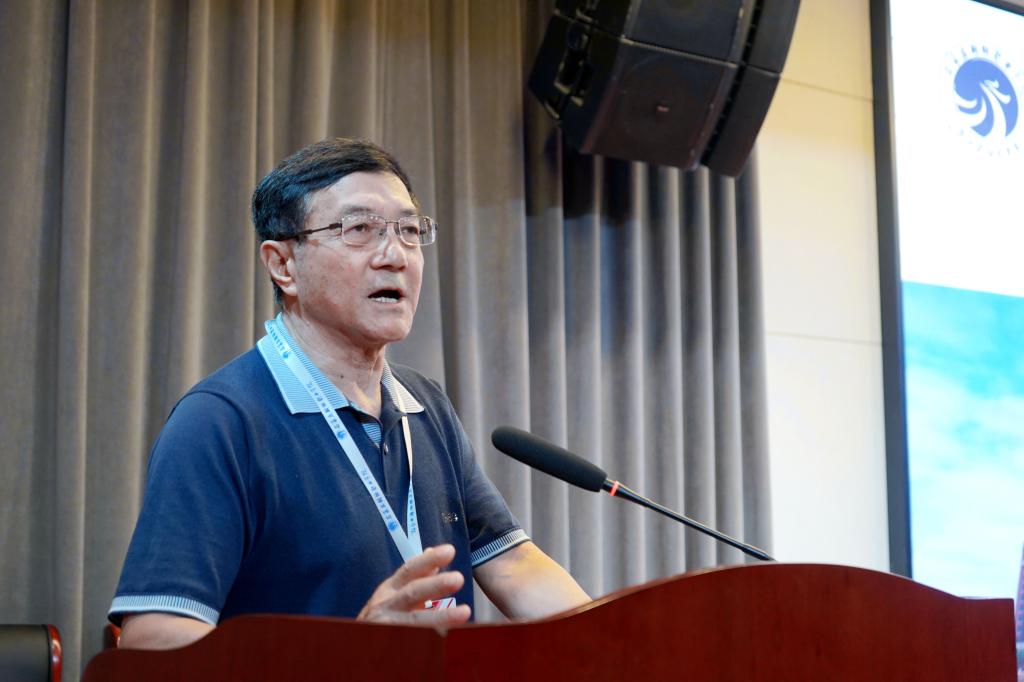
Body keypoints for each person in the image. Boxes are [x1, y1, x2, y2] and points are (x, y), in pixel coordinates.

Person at [109, 138, 590, 649]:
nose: (395, 256)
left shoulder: (424, 405)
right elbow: (152, 639)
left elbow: (514, 565)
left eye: (408, 230)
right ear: (283, 265)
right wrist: (349, 658)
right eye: (359, 230)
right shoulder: (219, 421)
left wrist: (614, 644)